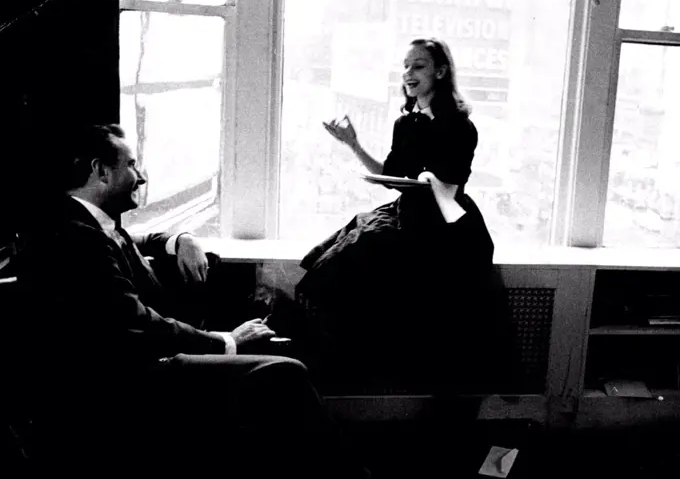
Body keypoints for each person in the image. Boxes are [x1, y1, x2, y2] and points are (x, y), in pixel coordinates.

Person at [16, 124, 370, 477]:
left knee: (283, 335)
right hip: (129, 382)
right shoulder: (74, 237)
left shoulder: (89, 223)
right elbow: (136, 323)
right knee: (284, 372)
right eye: (132, 165)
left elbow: (136, 240)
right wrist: (226, 342)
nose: (139, 178)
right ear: (101, 172)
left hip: (148, 359)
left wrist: (179, 239)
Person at [294, 38, 500, 393]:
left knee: (442, 321)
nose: (408, 73)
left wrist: (421, 180)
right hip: (408, 213)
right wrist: (353, 144)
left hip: (445, 224)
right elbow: (393, 177)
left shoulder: (460, 127)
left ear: (440, 71)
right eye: (406, 66)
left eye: (418, 66)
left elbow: (447, 187)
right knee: (330, 262)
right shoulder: (405, 124)